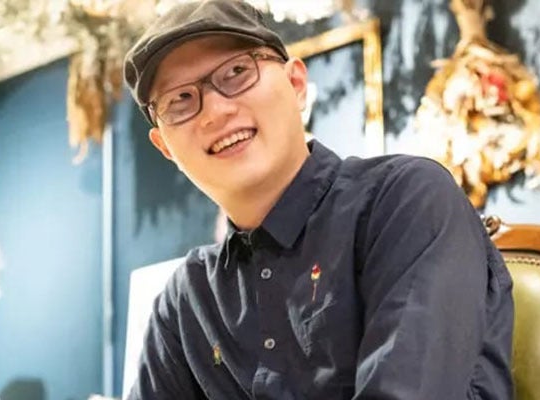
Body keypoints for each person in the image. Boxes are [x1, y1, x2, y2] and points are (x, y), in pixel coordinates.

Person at [122, 1, 514, 398]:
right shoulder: (187, 300)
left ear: (296, 84)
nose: (215, 112)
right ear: (165, 147)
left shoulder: (405, 202)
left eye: (237, 72)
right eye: (181, 99)